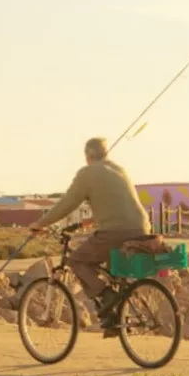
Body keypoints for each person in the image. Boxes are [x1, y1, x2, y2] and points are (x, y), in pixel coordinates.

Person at [30, 137, 152, 335]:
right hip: (142, 229)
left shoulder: (87, 173)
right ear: (106, 153)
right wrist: (93, 219)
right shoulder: (120, 170)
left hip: (115, 232)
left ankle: (106, 295)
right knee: (113, 272)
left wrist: (40, 224)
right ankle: (116, 319)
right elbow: (120, 204)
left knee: (77, 261)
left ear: (88, 156)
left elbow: (67, 204)